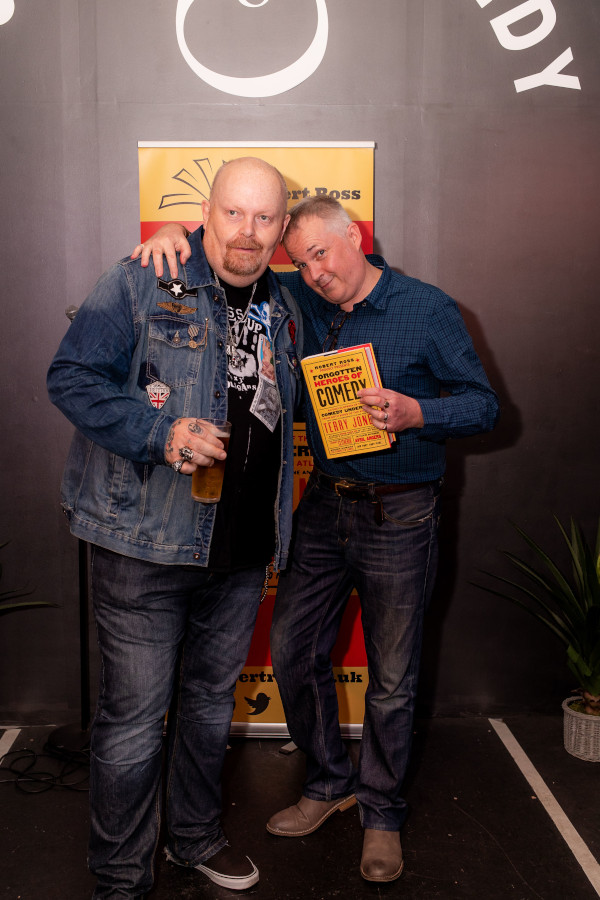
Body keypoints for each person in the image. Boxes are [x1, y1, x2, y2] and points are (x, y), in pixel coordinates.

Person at [135, 195, 499, 884]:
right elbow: (233, 256)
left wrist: (417, 411)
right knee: (293, 649)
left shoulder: (428, 308)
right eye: (300, 262)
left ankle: (381, 812)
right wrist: (178, 233)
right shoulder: (299, 296)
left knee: (392, 679)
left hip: (402, 513)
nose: (314, 272)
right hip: (326, 505)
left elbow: (484, 405)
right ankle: (331, 781)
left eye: (321, 255)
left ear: (354, 236)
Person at [47, 157, 303, 898]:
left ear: (282, 227)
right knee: (132, 724)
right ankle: (121, 879)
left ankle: (193, 838)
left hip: (242, 554)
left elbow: (351, 280)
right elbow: (71, 377)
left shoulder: (284, 303)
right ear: (205, 213)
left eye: (264, 218)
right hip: (144, 547)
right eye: (233, 213)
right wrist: (161, 433)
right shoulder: (141, 279)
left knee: (208, 712)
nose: (247, 232)